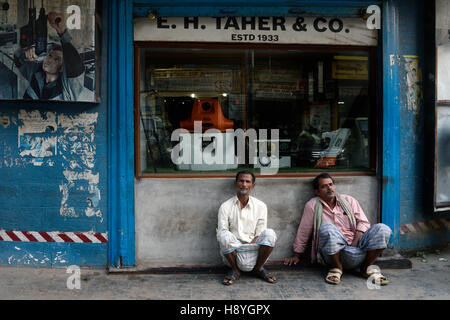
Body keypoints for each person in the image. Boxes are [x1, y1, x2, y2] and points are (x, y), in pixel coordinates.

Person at [284, 173, 392, 285]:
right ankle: (337, 269)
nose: (329, 188)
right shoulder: (312, 205)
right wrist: (297, 255)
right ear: (317, 191)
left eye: (331, 184)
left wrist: (355, 242)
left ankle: (366, 268)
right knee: (327, 228)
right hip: (333, 254)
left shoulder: (349, 200)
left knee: (383, 229)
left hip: (358, 248)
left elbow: (363, 222)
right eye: (324, 186)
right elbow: (304, 231)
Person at [217, 170, 277, 285]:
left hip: (255, 249)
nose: (244, 184)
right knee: (223, 235)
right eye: (241, 181)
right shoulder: (225, 206)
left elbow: (261, 231)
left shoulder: (261, 206)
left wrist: (252, 241)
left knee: (270, 233)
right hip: (234, 251)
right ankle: (235, 270)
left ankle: (259, 268)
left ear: (252, 186)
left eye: (247, 182)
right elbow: (222, 230)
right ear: (236, 183)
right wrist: (238, 243)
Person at [14, 11, 85, 101]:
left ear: (62, 68)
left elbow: (76, 67)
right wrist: (24, 54)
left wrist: (62, 32)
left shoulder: (67, 89)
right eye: (50, 55)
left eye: (57, 59)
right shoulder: (36, 73)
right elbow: (17, 59)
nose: (49, 60)